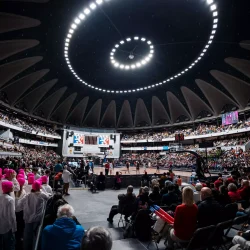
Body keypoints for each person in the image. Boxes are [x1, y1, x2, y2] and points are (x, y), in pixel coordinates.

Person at [16, 180, 50, 250]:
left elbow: (18, 207)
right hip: (37, 219)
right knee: (36, 235)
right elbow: (48, 197)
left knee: (27, 234)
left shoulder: (27, 196)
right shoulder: (42, 195)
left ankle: (25, 247)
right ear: (39, 187)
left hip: (27, 219)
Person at [0, 181, 16, 250]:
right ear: (9, 188)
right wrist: (14, 227)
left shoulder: (0, 197)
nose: (13, 187)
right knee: (9, 244)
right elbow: (12, 215)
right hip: (7, 226)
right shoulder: (10, 199)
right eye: (12, 186)